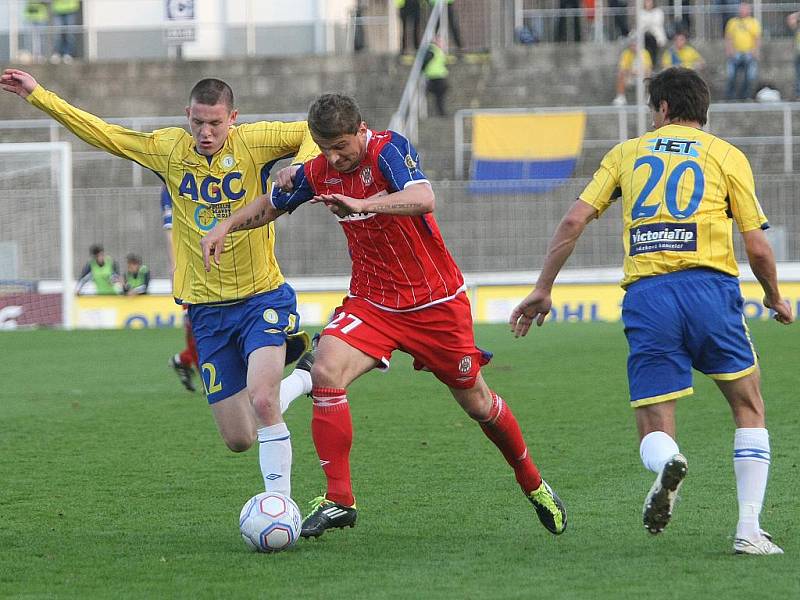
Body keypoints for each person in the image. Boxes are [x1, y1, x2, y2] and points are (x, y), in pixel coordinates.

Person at [201, 93, 567, 540]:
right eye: (324, 148)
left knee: (477, 403)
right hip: (372, 302)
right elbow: (272, 204)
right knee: (325, 370)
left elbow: (423, 197)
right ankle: (340, 500)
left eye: (341, 147)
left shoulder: (387, 149)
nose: (334, 158)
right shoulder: (318, 171)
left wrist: (366, 204)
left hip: (434, 303)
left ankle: (533, 482)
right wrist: (226, 225)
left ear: (360, 130)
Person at [510, 67, 793, 555]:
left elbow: (575, 218)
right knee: (748, 406)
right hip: (711, 289)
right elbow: (758, 247)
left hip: (649, 295)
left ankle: (667, 461)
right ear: (704, 110)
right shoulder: (726, 155)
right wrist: (773, 295)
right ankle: (748, 529)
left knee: (653, 420)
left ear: (662, 109)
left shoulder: (627, 153)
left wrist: (543, 287)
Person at [1, 68, 318, 498]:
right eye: (198, 122)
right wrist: (40, 97)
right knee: (239, 438)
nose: (206, 132)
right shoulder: (167, 149)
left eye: (215, 123)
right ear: (187, 115)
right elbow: (105, 134)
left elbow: (314, 131)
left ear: (234, 118)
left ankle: (279, 507)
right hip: (206, 312)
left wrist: (298, 166)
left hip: (261, 295)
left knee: (263, 401)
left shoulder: (257, 141)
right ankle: (302, 377)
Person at [724, 2, 761, 101]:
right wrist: (729, 51)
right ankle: (730, 97)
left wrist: (755, 51)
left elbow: (756, 39)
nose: (742, 10)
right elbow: (728, 38)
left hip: (749, 53)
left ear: (749, 10)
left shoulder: (754, 22)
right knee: (731, 76)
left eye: (745, 8)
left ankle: (745, 96)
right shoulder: (732, 22)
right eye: (741, 8)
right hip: (735, 53)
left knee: (750, 76)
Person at [613, 34, 653, 106]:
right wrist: (633, 72)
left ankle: (647, 97)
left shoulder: (644, 53)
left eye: (635, 44)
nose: (633, 46)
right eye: (632, 44)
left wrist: (637, 72)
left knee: (649, 75)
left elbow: (648, 68)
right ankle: (621, 97)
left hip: (642, 77)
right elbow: (622, 69)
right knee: (620, 74)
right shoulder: (626, 54)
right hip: (630, 77)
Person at [422, 35, 449, 117]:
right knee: (439, 96)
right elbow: (425, 62)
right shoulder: (432, 50)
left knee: (440, 95)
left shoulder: (437, 50)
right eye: (440, 41)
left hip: (438, 76)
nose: (443, 43)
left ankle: (440, 112)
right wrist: (423, 70)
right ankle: (441, 113)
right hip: (435, 77)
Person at [640, 0, 667, 66]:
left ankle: (653, 63)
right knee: (647, 37)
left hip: (656, 35)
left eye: (650, 1)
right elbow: (641, 25)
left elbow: (657, 23)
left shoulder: (658, 12)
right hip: (644, 35)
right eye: (647, 2)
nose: (648, 3)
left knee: (652, 40)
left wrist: (648, 23)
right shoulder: (641, 12)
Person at [786, 10, 800, 98]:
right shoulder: (797, 27)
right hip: (798, 54)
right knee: (798, 76)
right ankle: (798, 95)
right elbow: (790, 19)